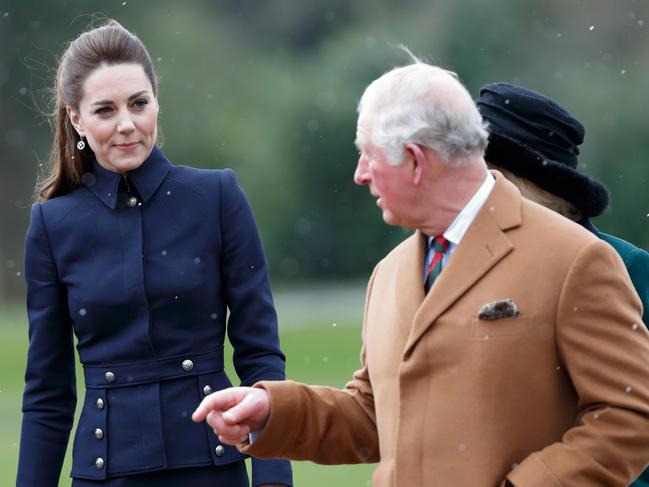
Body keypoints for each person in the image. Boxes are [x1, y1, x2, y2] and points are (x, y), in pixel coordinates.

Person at [193, 57, 649, 486]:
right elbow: (376, 416)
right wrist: (274, 412)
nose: (359, 173)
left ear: (415, 160)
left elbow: (632, 413)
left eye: (368, 155)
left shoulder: (575, 257)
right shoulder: (388, 274)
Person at [17, 19, 292, 487]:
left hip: (212, 466)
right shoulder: (51, 226)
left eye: (138, 104)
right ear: (76, 118)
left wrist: (272, 478)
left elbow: (260, 355)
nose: (127, 124)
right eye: (105, 110)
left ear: (156, 102)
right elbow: (48, 392)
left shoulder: (217, 198)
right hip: (105, 473)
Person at [475, 81, 649, 486]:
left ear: (527, 186)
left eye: (482, 177)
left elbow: (635, 420)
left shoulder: (628, 267)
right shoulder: (454, 264)